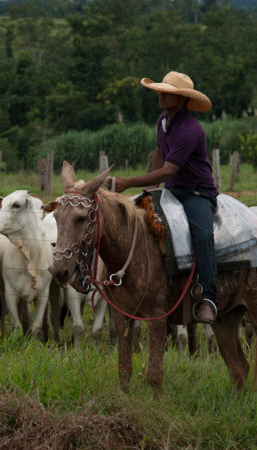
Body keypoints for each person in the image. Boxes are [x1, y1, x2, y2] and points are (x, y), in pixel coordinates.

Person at [111, 71, 218, 324]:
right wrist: (152, 184)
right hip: (171, 189)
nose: (160, 96)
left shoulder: (190, 130)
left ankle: (209, 297)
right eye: (160, 91)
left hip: (196, 192)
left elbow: (170, 169)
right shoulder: (162, 120)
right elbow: (160, 153)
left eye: (167, 93)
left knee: (202, 234)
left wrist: (127, 183)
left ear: (181, 99)